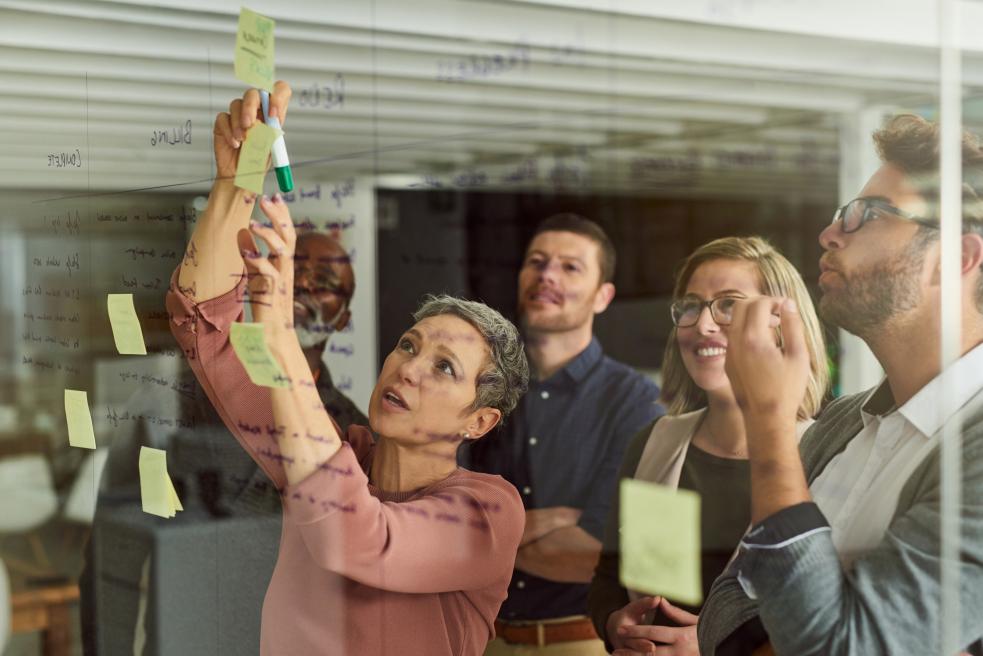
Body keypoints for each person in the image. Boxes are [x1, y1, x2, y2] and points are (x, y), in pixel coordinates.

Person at [166, 82, 529, 656]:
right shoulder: (332, 450)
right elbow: (202, 324)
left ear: (479, 421)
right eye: (408, 345)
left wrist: (279, 331)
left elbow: (355, 537)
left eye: (444, 367)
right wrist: (235, 187)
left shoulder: (489, 510)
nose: (409, 369)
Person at [697, 114, 983, 655]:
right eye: (839, 215)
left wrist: (768, 422)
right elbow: (722, 609)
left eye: (864, 216)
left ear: (953, 259)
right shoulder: (842, 421)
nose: (829, 234)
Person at [78, 227, 366, 656]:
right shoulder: (177, 399)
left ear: (342, 318)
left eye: (326, 285)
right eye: (294, 270)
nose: (305, 285)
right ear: (260, 283)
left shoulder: (352, 434)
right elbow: (113, 554)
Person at [587, 236, 829, 655]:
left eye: (730, 304)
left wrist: (717, 646)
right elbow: (611, 576)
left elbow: (826, 618)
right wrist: (614, 624)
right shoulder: (656, 442)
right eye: (691, 305)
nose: (703, 324)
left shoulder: (824, 453)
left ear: (783, 324)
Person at [468, 214, 663, 654]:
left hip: (579, 643)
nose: (547, 275)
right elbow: (438, 518)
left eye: (570, 267)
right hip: (479, 641)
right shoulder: (480, 390)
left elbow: (596, 556)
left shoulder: (637, 403)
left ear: (603, 295)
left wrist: (482, 537)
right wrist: (557, 518)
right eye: (537, 262)